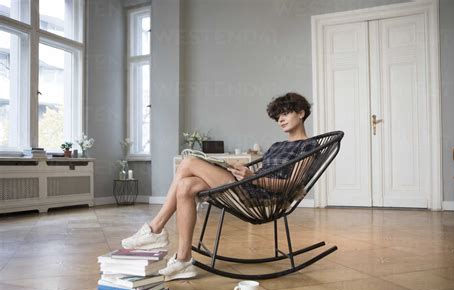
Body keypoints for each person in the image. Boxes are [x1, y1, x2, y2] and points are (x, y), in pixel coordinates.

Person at [121, 92, 318, 280]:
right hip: (249, 186)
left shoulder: (308, 146)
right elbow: (260, 173)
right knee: (186, 185)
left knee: (188, 161)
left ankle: (155, 229)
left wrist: (252, 178)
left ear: (301, 113)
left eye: (286, 113)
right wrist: (239, 172)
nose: (281, 119)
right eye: (278, 116)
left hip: (262, 198)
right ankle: (183, 259)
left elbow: (291, 185)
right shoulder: (277, 145)